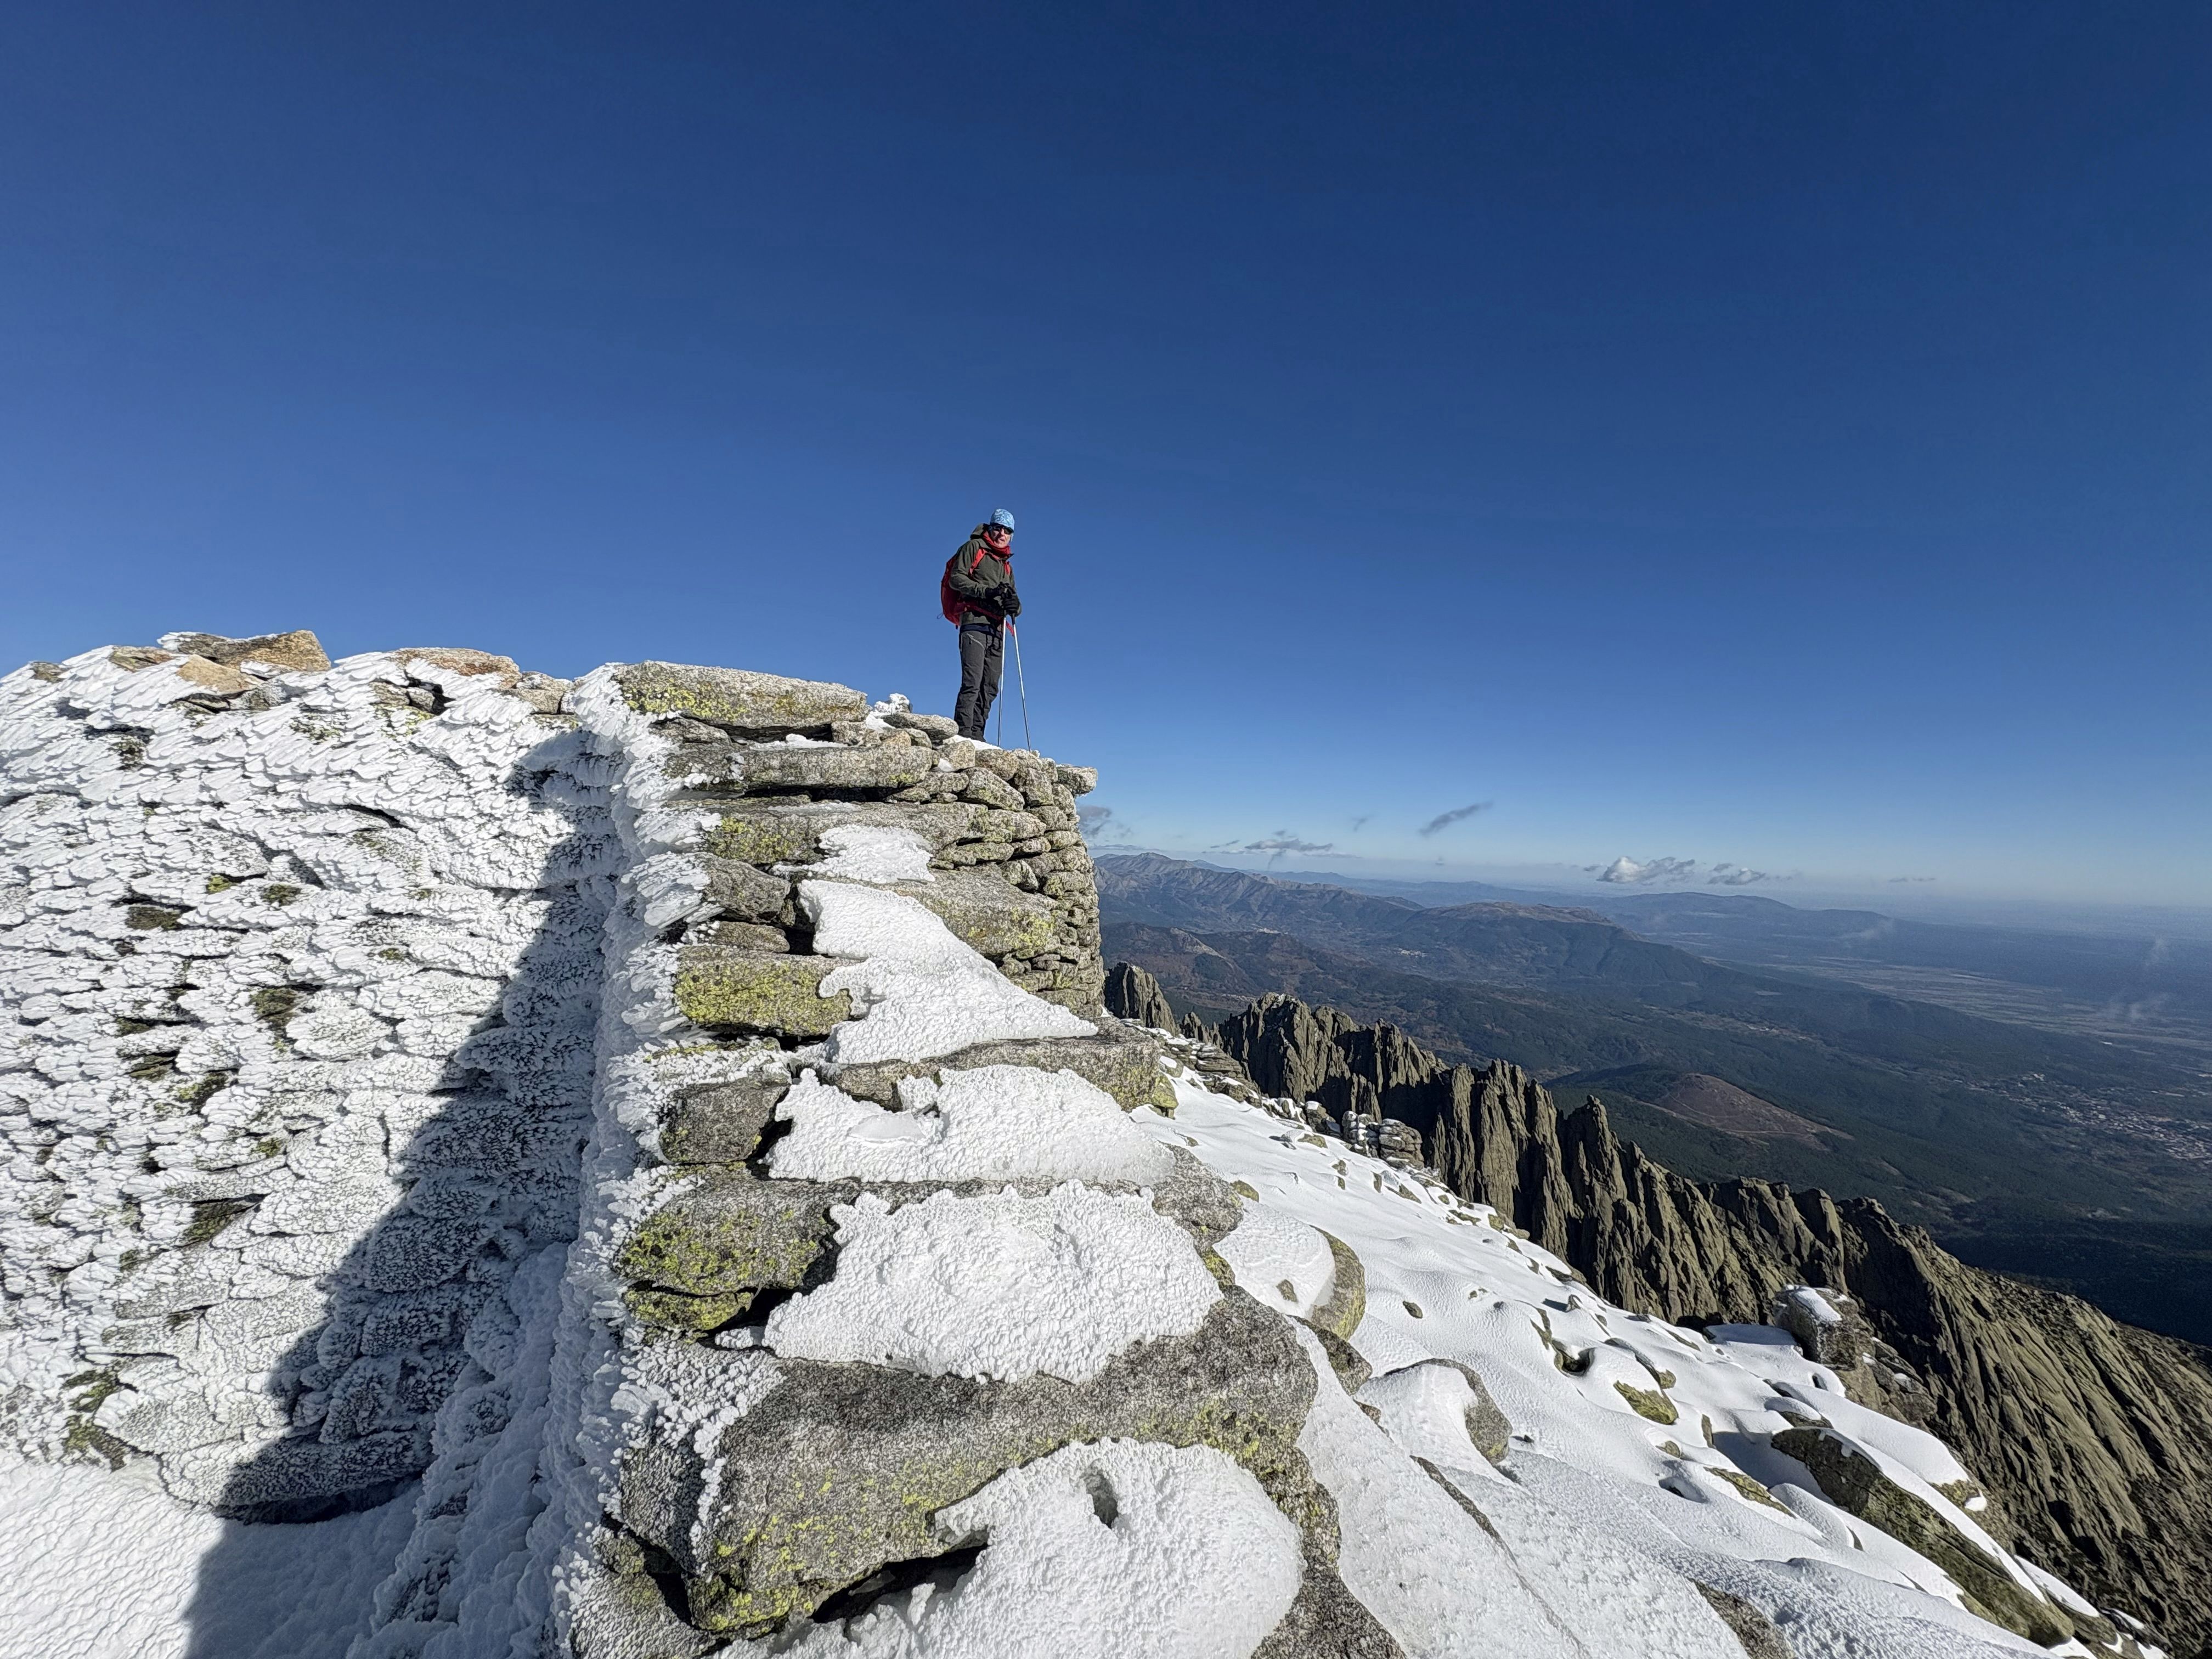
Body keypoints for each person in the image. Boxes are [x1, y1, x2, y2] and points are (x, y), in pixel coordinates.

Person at [943, 507, 1022, 740]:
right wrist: (986, 592)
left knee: (990, 686)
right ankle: (963, 734)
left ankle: (978, 734)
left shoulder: (1007, 565)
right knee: (972, 681)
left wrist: (1015, 605)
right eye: (998, 528)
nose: (1002, 534)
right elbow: (957, 578)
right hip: (974, 621)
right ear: (990, 528)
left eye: (1007, 531)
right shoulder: (973, 548)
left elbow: (1016, 601)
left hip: (997, 628)